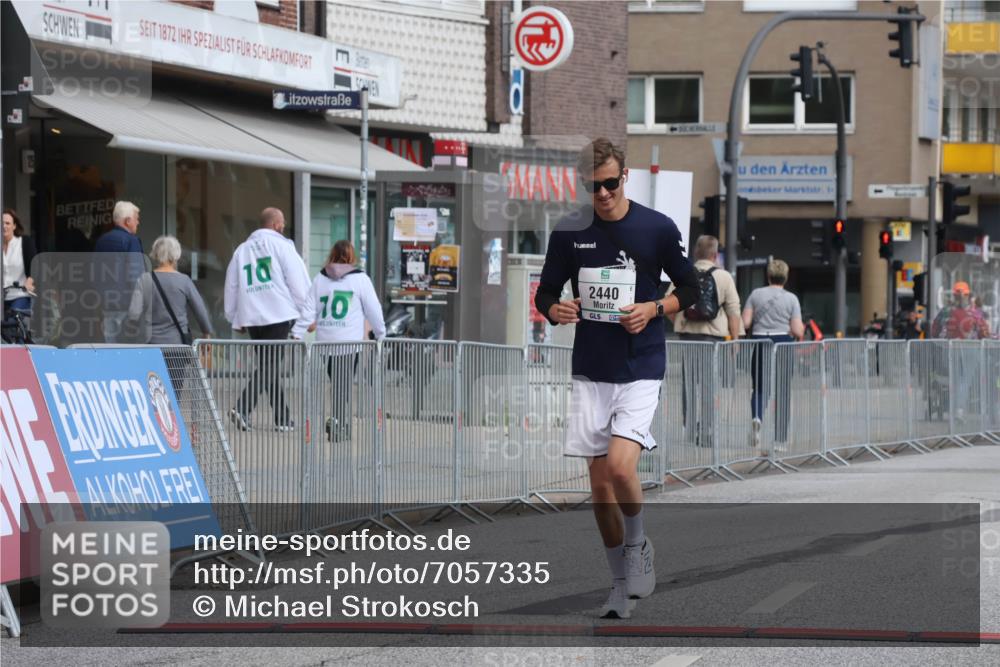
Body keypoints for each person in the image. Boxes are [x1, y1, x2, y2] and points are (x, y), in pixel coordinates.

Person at [534, 138, 698, 619]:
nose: (602, 193)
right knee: (599, 487)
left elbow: (690, 286)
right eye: (593, 185)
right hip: (592, 368)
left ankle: (639, 544)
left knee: (622, 469)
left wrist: (654, 307)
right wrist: (555, 310)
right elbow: (545, 292)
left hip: (641, 364)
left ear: (624, 176)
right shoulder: (569, 233)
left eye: (609, 183)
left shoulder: (656, 227)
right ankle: (620, 584)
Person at [224, 207, 311, 432]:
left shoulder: (241, 250)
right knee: (270, 366)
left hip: (252, 315)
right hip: (279, 313)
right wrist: (308, 313)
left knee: (267, 366)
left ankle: (282, 418)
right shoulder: (282, 246)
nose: (283, 227)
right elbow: (298, 283)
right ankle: (242, 407)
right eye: (281, 223)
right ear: (276, 225)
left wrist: (234, 316)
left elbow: (232, 285)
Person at [297, 240, 386, 442]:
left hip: (325, 342)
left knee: (338, 382)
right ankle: (337, 421)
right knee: (343, 385)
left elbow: (310, 307)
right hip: (348, 342)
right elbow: (373, 309)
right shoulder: (360, 279)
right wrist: (381, 333)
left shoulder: (321, 278)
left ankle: (340, 423)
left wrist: (298, 331)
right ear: (351, 256)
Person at [669, 235, 742, 447]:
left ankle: (689, 428)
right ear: (714, 254)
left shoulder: (683, 274)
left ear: (695, 253)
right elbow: (733, 310)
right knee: (710, 385)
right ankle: (708, 429)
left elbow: (669, 304)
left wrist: (680, 321)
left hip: (688, 337)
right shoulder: (724, 276)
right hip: (713, 338)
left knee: (689, 384)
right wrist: (735, 340)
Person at [742, 259, 804, 450]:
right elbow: (797, 329)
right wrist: (798, 329)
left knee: (759, 387)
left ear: (768, 276)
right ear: (785, 277)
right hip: (783, 344)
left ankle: (757, 417)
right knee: (783, 390)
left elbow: (745, 323)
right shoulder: (791, 299)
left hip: (760, 341)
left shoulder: (755, 294)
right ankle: (780, 440)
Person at [128, 236, 213, 344]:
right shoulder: (184, 281)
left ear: (156, 254)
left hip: (151, 343)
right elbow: (200, 310)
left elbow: (133, 313)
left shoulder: (144, 279)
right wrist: (206, 333)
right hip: (177, 343)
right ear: (176, 255)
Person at [94, 201, 145, 342]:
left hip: (106, 304)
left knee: (110, 347)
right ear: (127, 221)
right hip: (127, 305)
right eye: (136, 218)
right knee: (129, 351)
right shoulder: (131, 241)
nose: (138, 222)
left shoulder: (101, 241)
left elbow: (95, 274)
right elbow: (136, 277)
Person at [2, 209, 37, 321]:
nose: (4, 226)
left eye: (7, 223)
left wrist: (30, 281)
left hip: (20, 295)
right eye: (1, 223)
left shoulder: (24, 242)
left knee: (12, 325)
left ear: (14, 226)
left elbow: (35, 266)